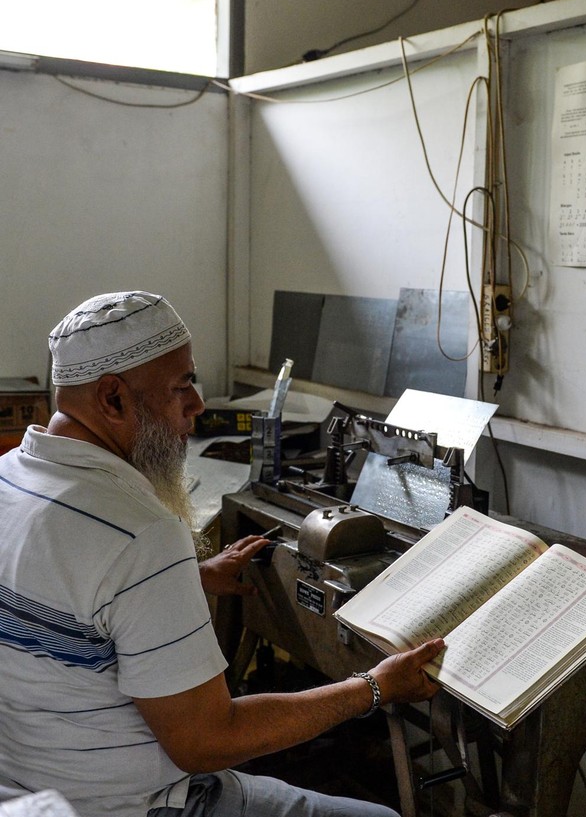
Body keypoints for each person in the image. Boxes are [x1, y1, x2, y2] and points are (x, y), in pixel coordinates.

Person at [0, 291, 445, 817]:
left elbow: (73, 595)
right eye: (182, 384)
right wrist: (373, 687)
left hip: (30, 790)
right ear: (113, 398)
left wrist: (186, 579)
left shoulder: (10, 479)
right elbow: (207, 741)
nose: (198, 404)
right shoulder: (142, 537)